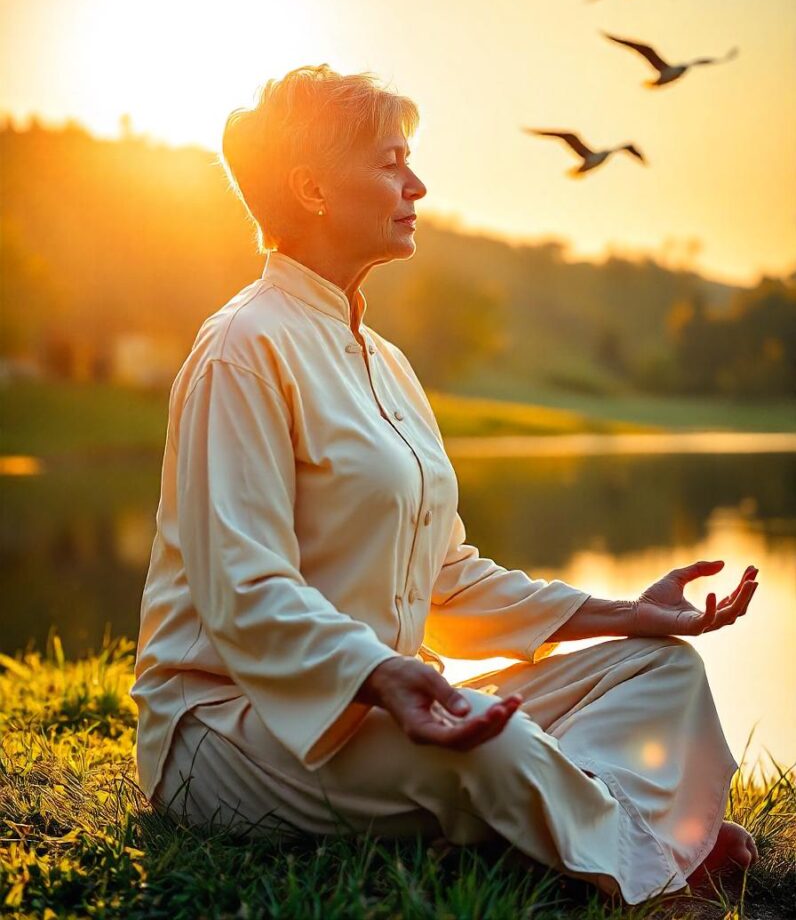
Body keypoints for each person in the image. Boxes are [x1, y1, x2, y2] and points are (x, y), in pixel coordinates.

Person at [131, 64, 759, 905]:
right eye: (391, 163)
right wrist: (382, 674)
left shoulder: (386, 362)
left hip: (395, 701)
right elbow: (242, 591)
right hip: (232, 732)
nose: (417, 184)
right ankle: (649, 861)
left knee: (662, 670)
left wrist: (623, 614)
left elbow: (448, 577)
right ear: (312, 187)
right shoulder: (242, 350)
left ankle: (579, 817)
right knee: (491, 747)